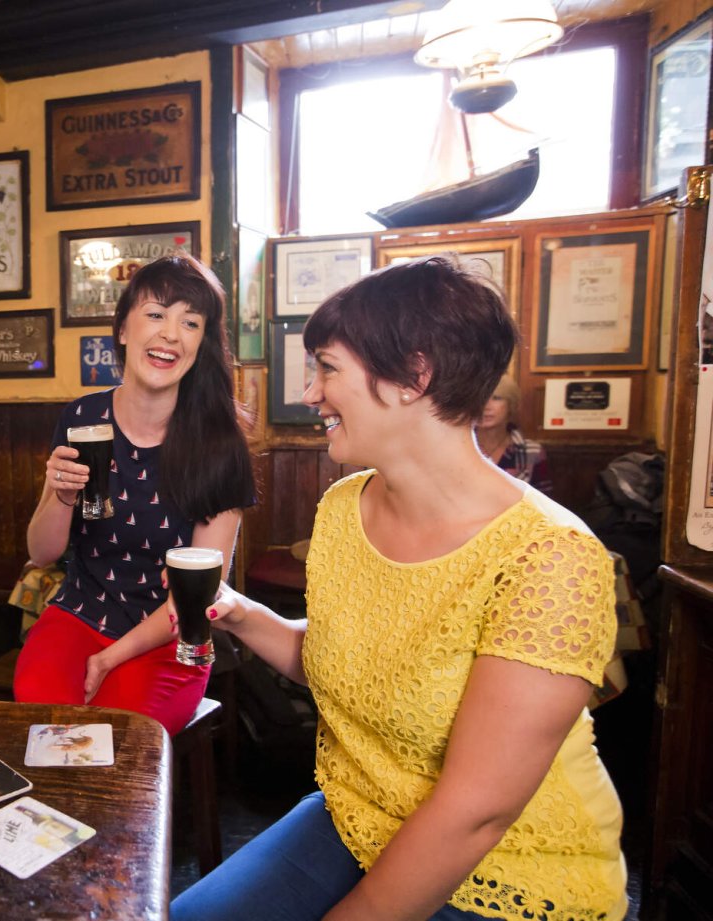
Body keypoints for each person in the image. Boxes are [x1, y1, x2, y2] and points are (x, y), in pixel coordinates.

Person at [171, 256, 626, 921]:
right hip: (357, 812)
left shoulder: (550, 556)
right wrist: (237, 612)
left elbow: (477, 813)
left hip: (510, 866)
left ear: (415, 376)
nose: (311, 392)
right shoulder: (343, 505)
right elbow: (334, 662)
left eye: (327, 367)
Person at [13, 253, 255, 735]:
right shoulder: (82, 420)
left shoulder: (221, 446)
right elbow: (42, 553)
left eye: (190, 322)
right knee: (41, 727)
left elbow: (198, 598)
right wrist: (58, 495)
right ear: (123, 329)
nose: (170, 333)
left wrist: (109, 659)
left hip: (169, 635)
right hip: (78, 611)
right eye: (156, 314)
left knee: (118, 738)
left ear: (201, 344)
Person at [476, 373, 553, 495]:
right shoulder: (456, 449)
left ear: (511, 405)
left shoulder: (532, 452)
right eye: (479, 398)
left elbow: (544, 505)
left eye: (496, 398)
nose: (486, 406)